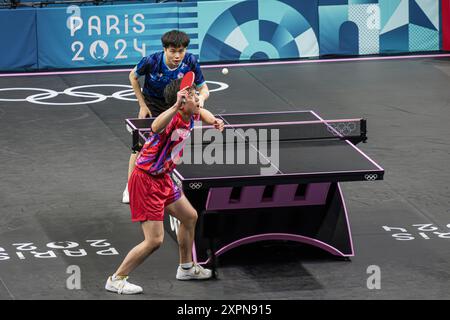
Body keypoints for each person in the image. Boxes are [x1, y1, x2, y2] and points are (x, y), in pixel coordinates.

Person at [106, 78, 224, 295]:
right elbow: (154, 126)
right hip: (145, 180)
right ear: (180, 103)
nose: (198, 98)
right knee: (154, 240)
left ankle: (186, 267)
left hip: (163, 178)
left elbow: (202, 113)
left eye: (195, 94)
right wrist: (174, 106)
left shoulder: (191, 113)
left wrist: (214, 120)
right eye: (192, 96)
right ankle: (116, 278)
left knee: (189, 216)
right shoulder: (172, 120)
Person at [123, 29, 210, 203]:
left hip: (177, 104)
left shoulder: (191, 61)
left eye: (181, 51)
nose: (177, 55)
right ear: (165, 49)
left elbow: (204, 88)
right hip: (153, 104)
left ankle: (163, 181)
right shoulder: (152, 60)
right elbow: (133, 77)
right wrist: (142, 104)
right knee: (140, 145)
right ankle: (130, 186)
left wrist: (200, 99)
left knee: (171, 144)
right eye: (173, 51)